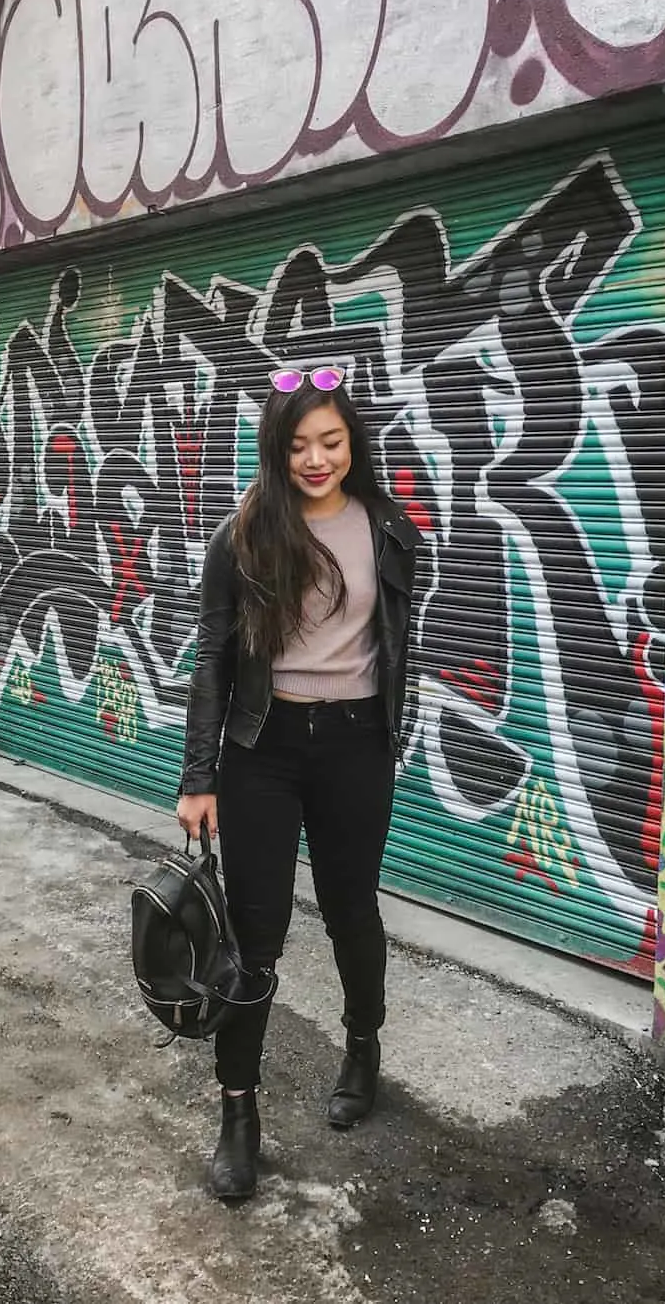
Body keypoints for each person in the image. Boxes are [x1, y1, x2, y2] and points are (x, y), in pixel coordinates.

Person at [176, 364, 421, 1201]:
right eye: (298, 445)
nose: (316, 458)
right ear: (275, 451)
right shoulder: (244, 534)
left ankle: (363, 1048)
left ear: (352, 444)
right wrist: (198, 774)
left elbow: (393, 645)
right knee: (255, 935)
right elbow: (211, 655)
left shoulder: (388, 529)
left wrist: (389, 733)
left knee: (353, 908)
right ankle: (237, 1112)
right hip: (263, 749)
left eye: (331, 441)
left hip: (356, 746)